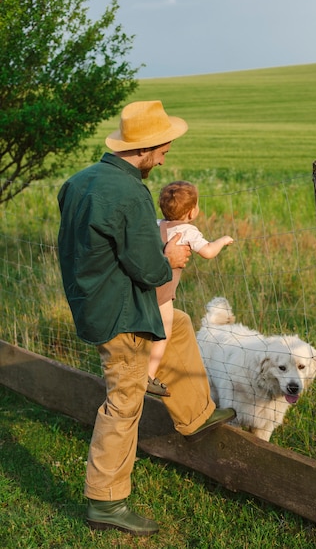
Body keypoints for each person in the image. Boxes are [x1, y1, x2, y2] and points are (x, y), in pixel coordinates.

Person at [57, 100, 236, 538]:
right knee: (124, 402)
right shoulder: (130, 192)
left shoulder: (77, 182)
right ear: (145, 148)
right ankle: (107, 500)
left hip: (93, 298)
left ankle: (195, 414)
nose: (164, 156)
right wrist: (172, 256)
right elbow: (149, 267)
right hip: (122, 311)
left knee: (178, 323)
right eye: (163, 150)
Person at [147, 180, 234, 397]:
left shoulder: (155, 224)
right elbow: (207, 252)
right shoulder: (188, 230)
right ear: (192, 211)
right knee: (164, 332)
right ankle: (148, 375)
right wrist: (222, 240)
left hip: (145, 288)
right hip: (163, 294)